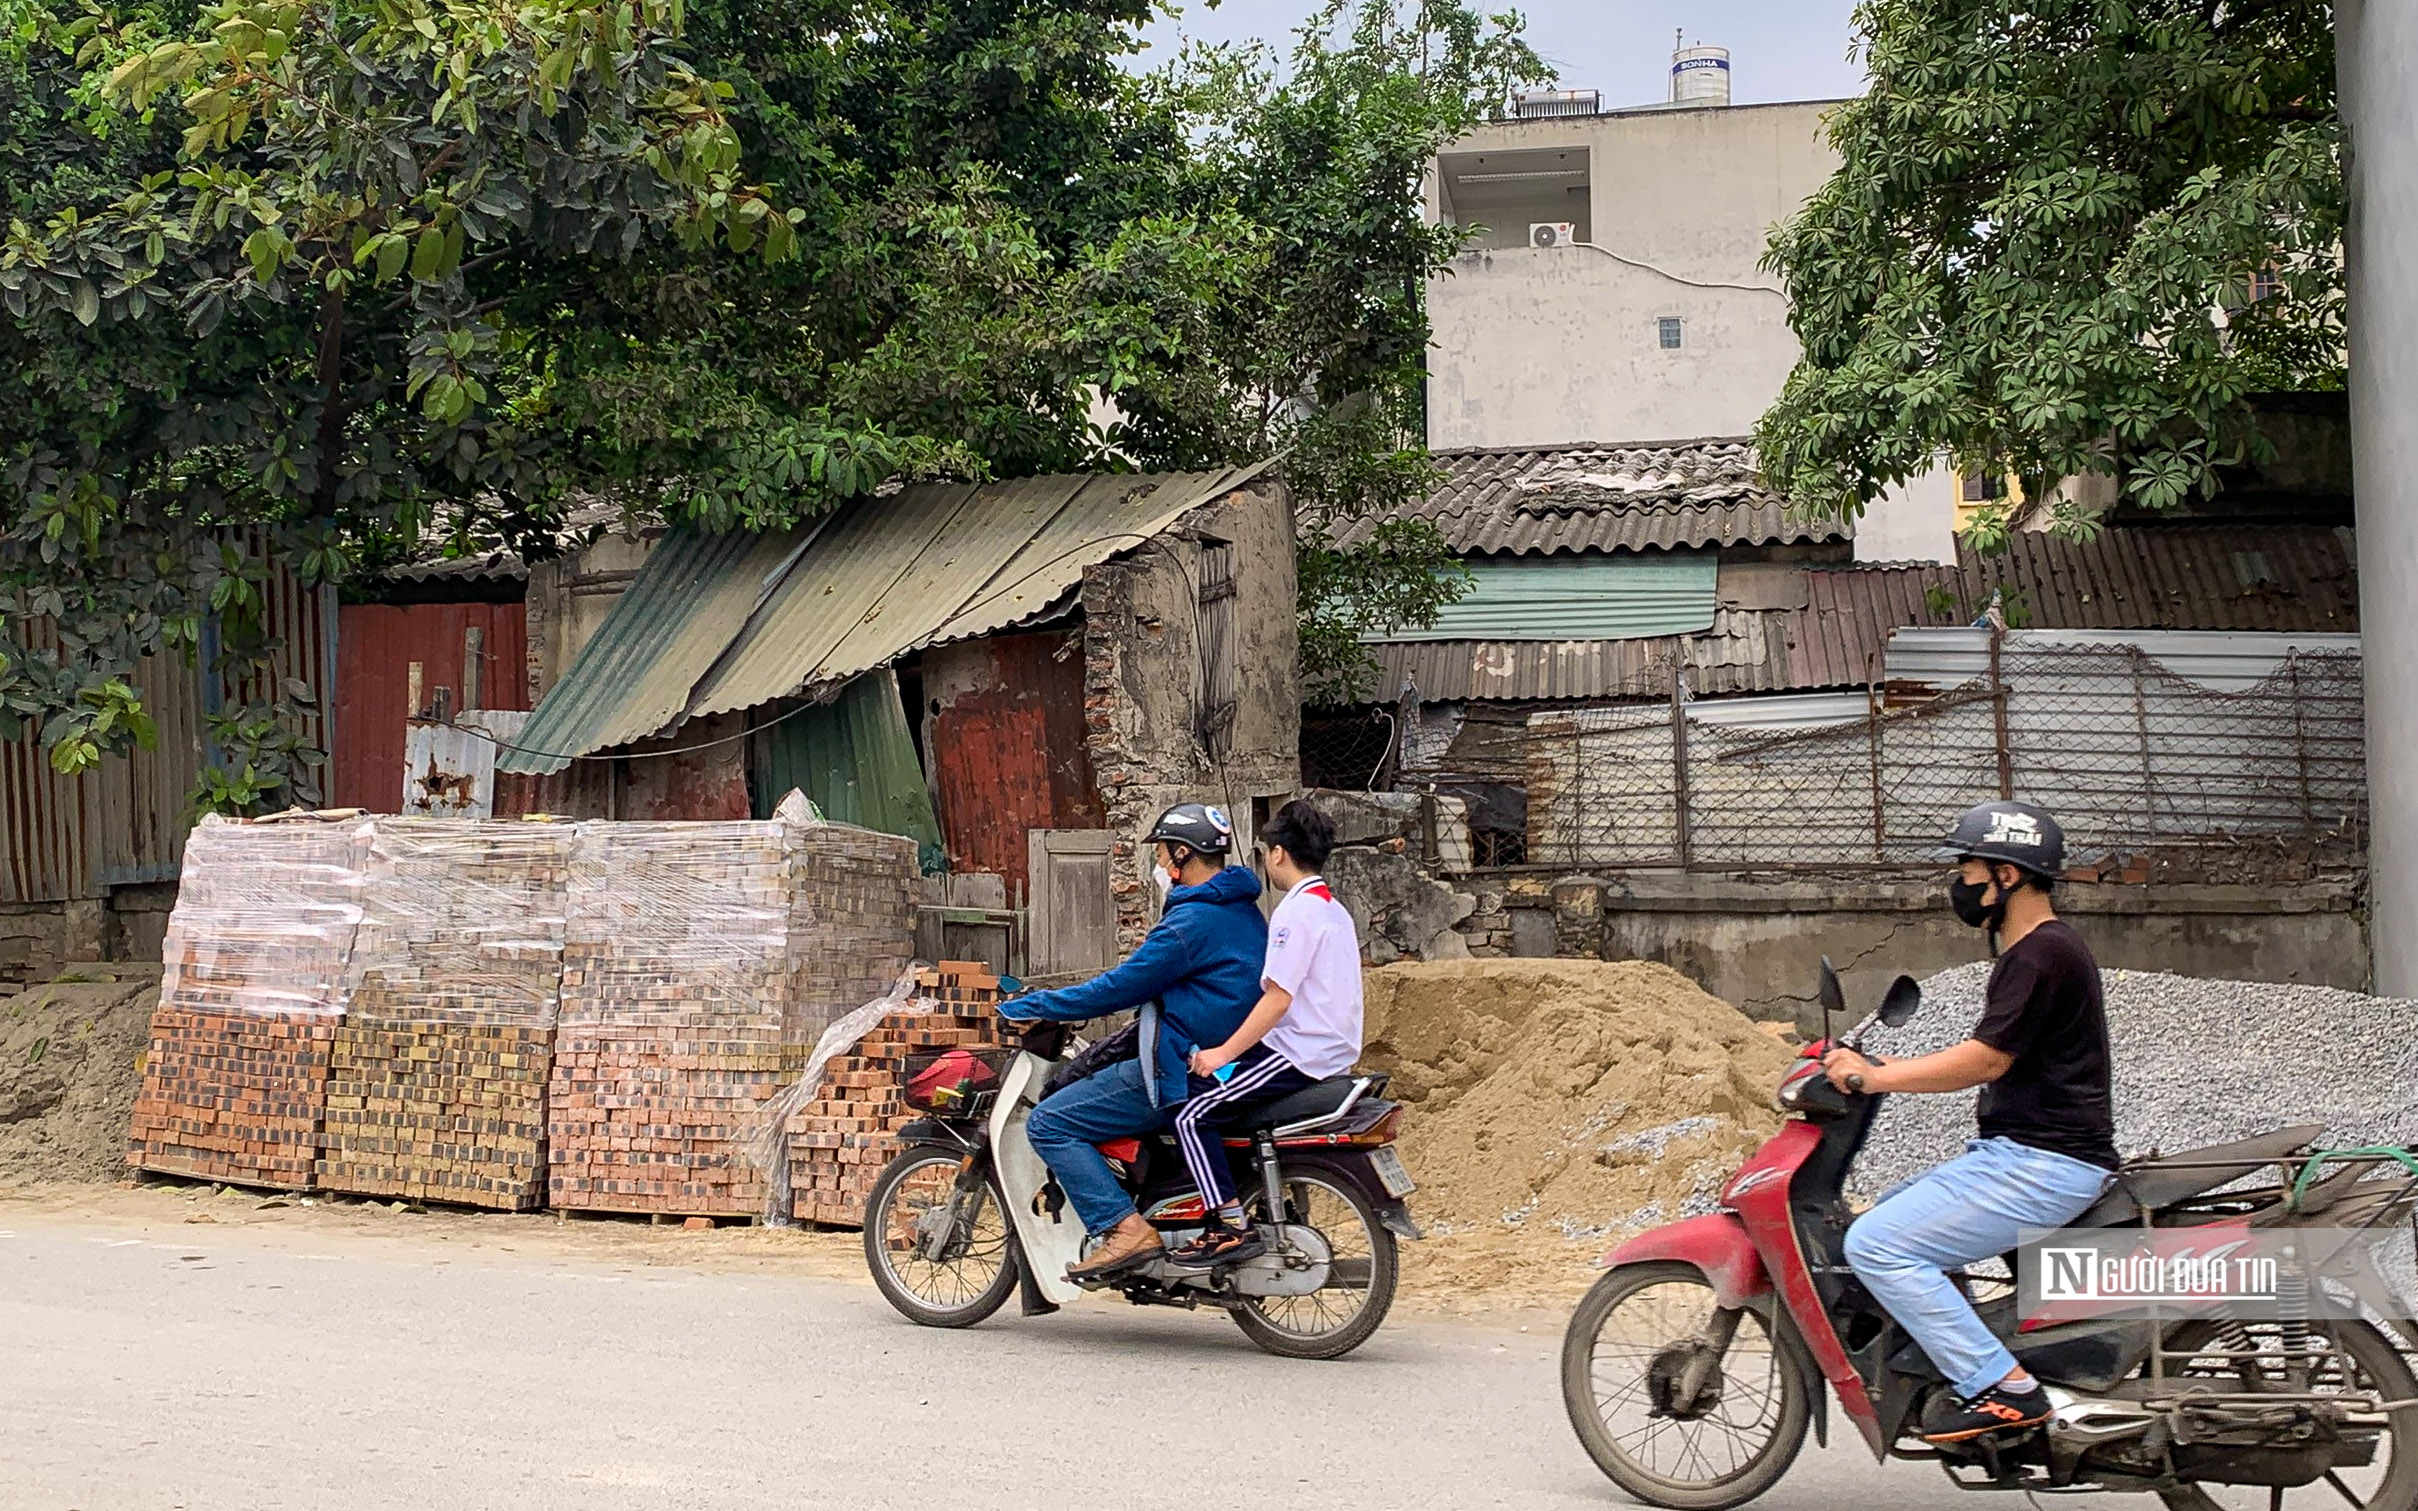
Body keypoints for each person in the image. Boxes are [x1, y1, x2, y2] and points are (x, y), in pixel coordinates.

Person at [1819, 800, 2118, 1444]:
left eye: (1969, 869)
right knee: (1883, 1220)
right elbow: (1995, 1057)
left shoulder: (2041, 955)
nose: (1959, 884)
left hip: (2043, 1163)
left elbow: (1985, 1060)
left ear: (2006, 877)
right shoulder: (2038, 953)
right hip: (2027, 1155)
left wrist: (1876, 1077)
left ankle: (2003, 1390)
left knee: (1879, 1245)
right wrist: (1881, 1063)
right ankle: (1967, 1356)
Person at [1004, 802, 1266, 1282]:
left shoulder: (1192, 923)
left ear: (1181, 854)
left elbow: (1122, 986)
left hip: (1177, 1064)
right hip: (1218, 1054)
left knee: (1049, 1122)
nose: (1159, 862)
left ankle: (1123, 1229)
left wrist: (1036, 1005)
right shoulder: (1240, 908)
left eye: (1164, 851)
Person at [1163, 798, 1363, 1269]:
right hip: (1327, 1049)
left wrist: (1221, 1053)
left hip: (1296, 1054)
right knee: (1210, 1088)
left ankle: (1229, 1224)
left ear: (1277, 854)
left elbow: (1277, 999)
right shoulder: (1332, 908)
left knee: (1191, 1113)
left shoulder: (1296, 914)